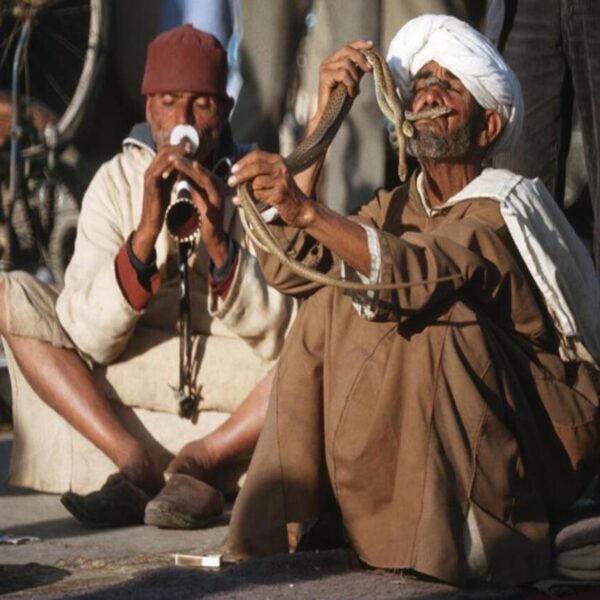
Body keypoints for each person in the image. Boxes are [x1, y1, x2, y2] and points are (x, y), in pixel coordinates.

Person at [223, 15, 600, 586]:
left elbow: (419, 271)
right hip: (456, 420)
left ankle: (473, 541)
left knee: (444, 315)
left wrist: (308, 213)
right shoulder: (399, 206)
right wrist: (324, 120)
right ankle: (288, 523)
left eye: (449, 86)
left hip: (544, 434)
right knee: (328, 300)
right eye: (422, 80)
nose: (427, 92)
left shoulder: (503, 207)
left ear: (487, 126)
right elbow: (289, 266)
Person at [0, 25, 296, 529]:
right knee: (11, 295)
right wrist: (143, 237)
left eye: (200, 105)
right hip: (131, 377)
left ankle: (202, 460)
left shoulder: (258, 184)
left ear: (223, 112)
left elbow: (285, 338)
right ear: (147, 107)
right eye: (168, 103)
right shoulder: (114, 182)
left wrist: (222, 246)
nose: (182, 121)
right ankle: (132, 463)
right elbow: (87, 338)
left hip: (235, 388)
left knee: (322, 340)